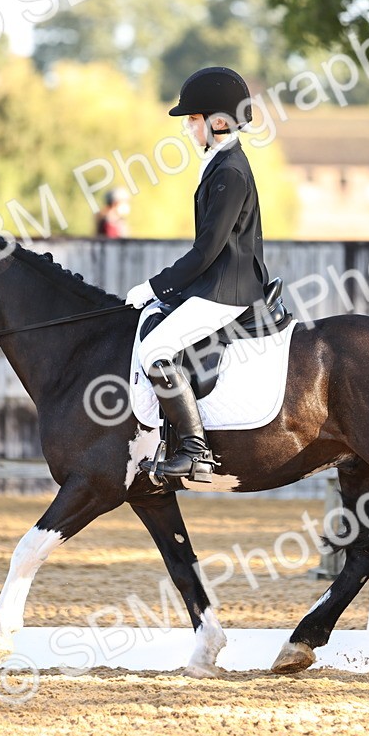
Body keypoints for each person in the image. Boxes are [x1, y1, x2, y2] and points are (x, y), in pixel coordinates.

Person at [124, 67, 269, 483]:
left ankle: (194, 451)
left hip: (228, 289)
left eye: (193, 119)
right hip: (219, 284)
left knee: (156, 350)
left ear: (218, 122)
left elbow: (207, 250)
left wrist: (155, 286)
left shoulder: (230, 171)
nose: (188, 128)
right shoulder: (221, 163)